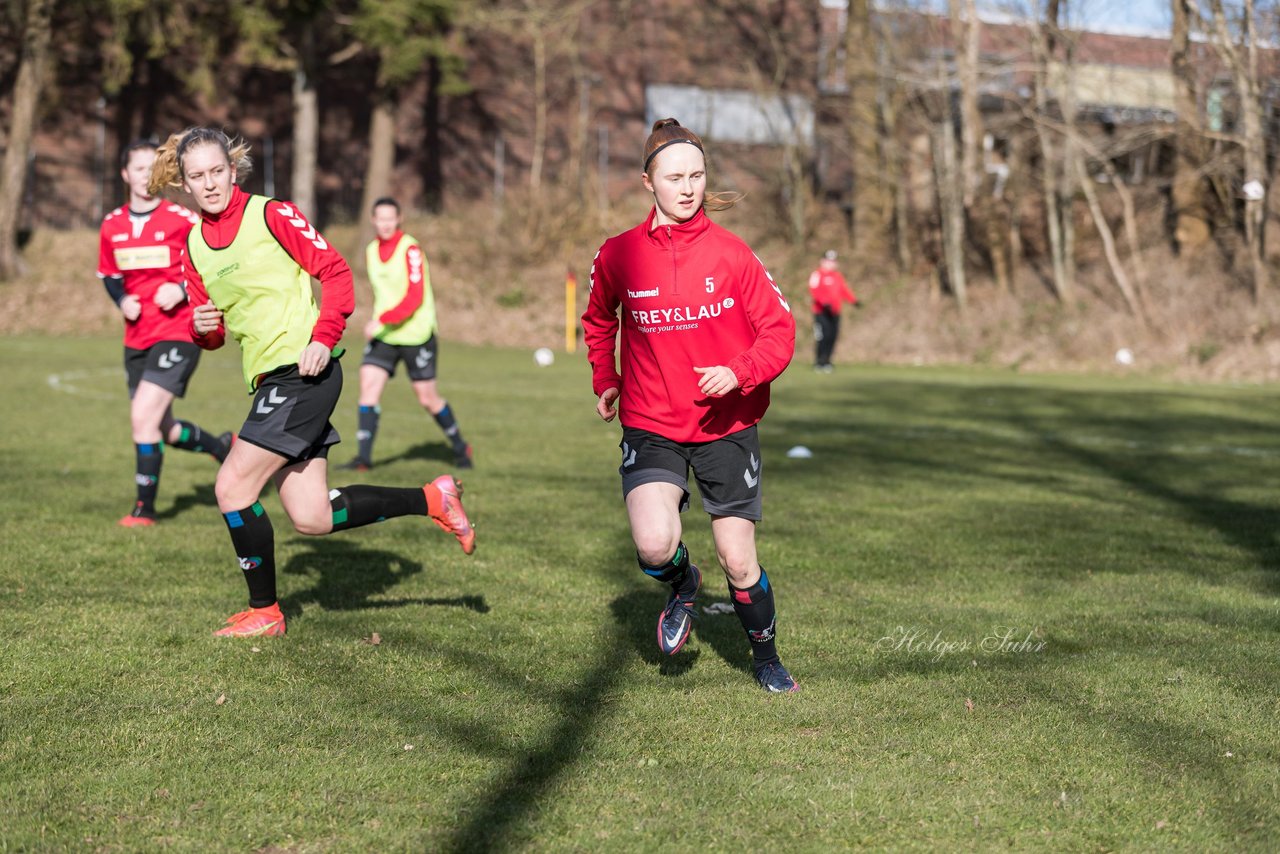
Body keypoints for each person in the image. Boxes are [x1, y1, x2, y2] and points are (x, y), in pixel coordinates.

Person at [148, 127, 476, 638]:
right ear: (185, 185)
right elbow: (208, 331)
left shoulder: (271, 215)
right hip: (270, 379)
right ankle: (432, 498)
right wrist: (200, 328)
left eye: (217, 171)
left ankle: (266, 612)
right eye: (197, 176)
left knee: (232, 487)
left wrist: (325, 336)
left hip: (305, 372)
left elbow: (337, 272)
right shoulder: (192, 247)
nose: (210, 183)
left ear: (232, 171)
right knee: (313, 517)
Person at [581, 118, 800, 693]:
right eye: (674, 177)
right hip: (651, 421)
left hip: (724, 424)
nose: (687, 188)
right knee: (654, 543)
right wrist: (606, 376)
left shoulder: (732, 255)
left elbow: (780, 332)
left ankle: (767, 659)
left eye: (697, 175)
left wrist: (740, 372)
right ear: (647, 181)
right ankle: (682, 584)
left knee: (739, 561)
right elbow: (600, 319)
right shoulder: (619, 254)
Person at [97, 139, 233, 527]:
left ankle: (144, 509)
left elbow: (215, 263)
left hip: (178, 332)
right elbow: (109, 275)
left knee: (141, 417)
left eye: (150, 168)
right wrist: (121, 299)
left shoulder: (181, 219)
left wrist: (182, 287)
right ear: (125, 174)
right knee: (162, 427)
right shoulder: (112, 225)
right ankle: (221, 446)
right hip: (136, 337)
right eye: (137, 169)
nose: (144, 176)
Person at [340, 197, 473, 471]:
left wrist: (383, 320)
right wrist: (380, 322)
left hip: (416, 334)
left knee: (427, 398)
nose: (386, 223)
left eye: (391, 218)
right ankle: (364, 459)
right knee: (368, 388)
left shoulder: (410, 249)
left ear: (399, 218)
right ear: (373, 220)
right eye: (381, 218)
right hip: (386, 336)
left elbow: (414, 297)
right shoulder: (371, 250)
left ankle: (460, 446)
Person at [808, 249, 858, 372]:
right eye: (829, 261)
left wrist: (853, 301)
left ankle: (827, 361)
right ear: (822, 261)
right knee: (823, 336)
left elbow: (843, 290)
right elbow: (814, 290)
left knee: (832, 337)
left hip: (835, 313)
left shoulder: (837, 276)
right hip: (821, 312)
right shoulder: (817, 274)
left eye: (833, 261)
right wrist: (823, 303)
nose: (831, 263)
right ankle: (819, 361)